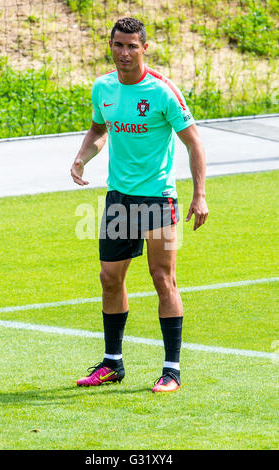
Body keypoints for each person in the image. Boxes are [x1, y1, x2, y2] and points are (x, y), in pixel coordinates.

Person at [70, 17, 208, 393]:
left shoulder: (163, 92)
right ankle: (113, 363)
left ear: (145, 48)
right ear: (110, 45)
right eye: (119, 45)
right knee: (109, 279)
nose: (125, 53)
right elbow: (100, 129)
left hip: (158, 198)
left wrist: (199, 194)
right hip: (119, 198)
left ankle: (171, 370)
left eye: (133, 46)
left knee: (163, 279)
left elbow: (194, 142)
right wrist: (83, 157)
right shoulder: (103, 87)